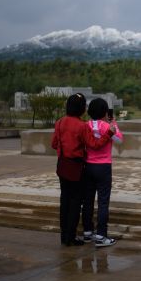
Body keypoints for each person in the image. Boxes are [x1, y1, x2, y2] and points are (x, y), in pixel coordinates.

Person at [51, 93, 114, 247]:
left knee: (64, 200)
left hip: (62, 164)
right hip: (76, 166)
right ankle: (71, 237)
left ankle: (64, 235)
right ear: (81, 108)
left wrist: (64, 148)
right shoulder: (81, 125)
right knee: (75, 202)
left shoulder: (59, 122)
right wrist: (109, 133)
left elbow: (54, 144)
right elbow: (95, 144)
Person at [81, 97, 123, 247]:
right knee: (103, 202)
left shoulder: (85, 126)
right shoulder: (107, 126)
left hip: (88, 166)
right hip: (104, 167)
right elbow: (119, 140)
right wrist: (113, 124)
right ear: (105, 112)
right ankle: (101, 235)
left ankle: (87, 231)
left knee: (88, 200)